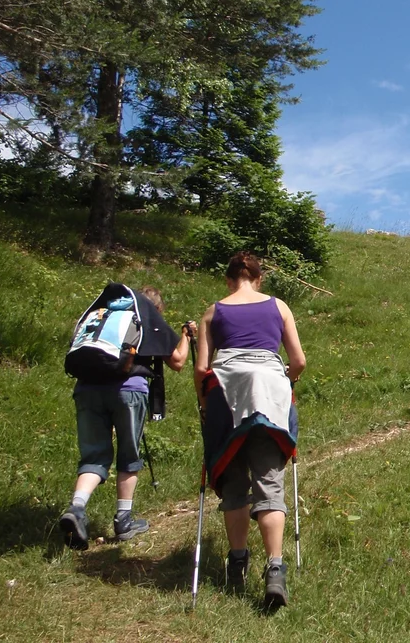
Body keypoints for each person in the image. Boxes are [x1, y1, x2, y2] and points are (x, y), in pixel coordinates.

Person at [195, 252, 306, 608]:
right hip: (270, 396)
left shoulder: (213, 312)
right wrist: (287, 382)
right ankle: (275, 568)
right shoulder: (280, 307)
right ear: (259, 279)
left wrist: (204, 403)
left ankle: (237, 561)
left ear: (229, 281)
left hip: (226, 396)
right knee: (268, 481)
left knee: (234, 482)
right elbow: (299, 360)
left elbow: (201, 369)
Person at [59, 286, 193, 550]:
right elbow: (177, 361)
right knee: (128, 455)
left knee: (94, 457)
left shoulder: (103, 312)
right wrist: (186, 336)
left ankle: (77, 508)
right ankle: (124, 521)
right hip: (127, 391)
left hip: (86, 388)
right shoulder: (147, 316)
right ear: (157, 308)